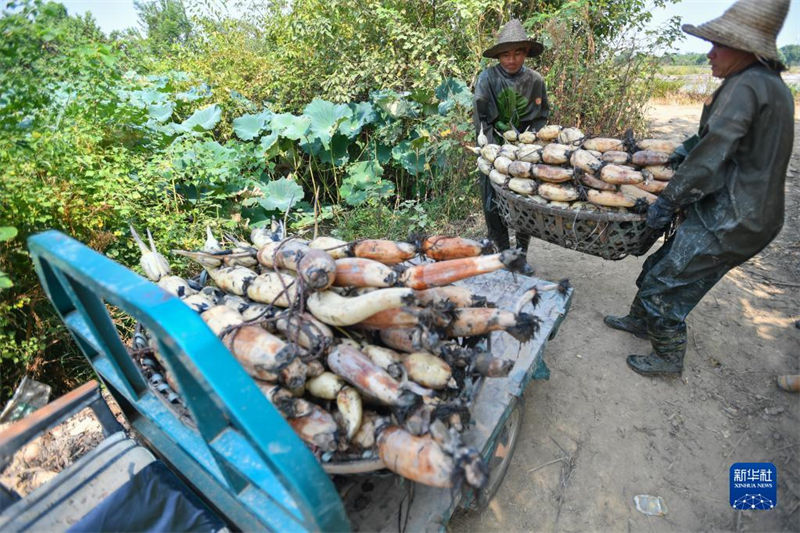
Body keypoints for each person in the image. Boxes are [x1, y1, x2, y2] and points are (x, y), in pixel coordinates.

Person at [603, 0, 795, 377]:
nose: (709, 54)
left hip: (733, 215)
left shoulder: (746, 86)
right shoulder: (771, 86)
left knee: (665, 281)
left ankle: (668, 356)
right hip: (753, 214)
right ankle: (641, 320)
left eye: (717, 45)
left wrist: (668, 201)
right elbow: (717, 139)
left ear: (745, 49)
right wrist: (679, 152)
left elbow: (710, 158)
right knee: (666, 264)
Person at [473, 19, 549, 252]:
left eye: (517, 53)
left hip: (525, 151)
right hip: (494, 148)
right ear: (498, 56)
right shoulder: (487, 78)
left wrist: (529, 147)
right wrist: (493, 153)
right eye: (506, 55)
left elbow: (541, 117)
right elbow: (481, 117)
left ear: (525, 53)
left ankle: (521, 252)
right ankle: (502, 252)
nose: (511, 60)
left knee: (526, 201)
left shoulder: (535, 81)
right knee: (492, 202)